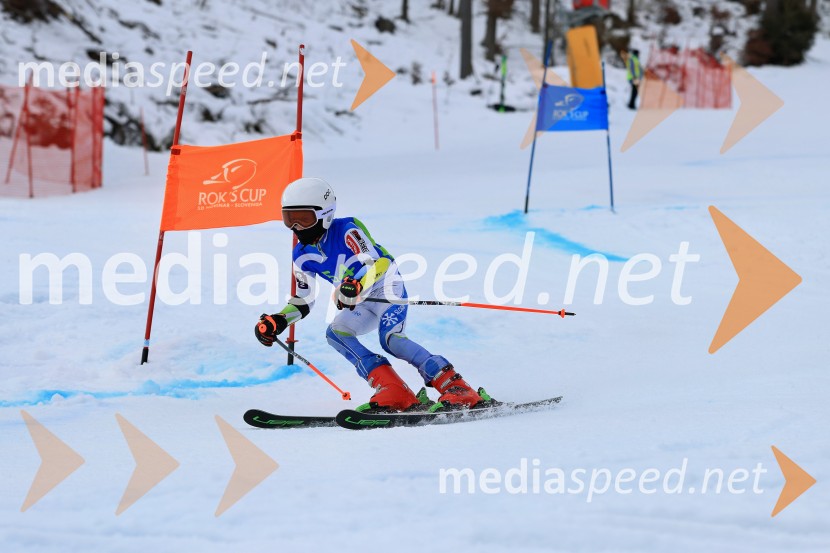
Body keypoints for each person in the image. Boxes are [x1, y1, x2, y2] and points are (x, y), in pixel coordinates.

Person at [254, 177, 489, 413]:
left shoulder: (348, 230)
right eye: (289, 219)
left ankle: (456, 387)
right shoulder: (301, 255)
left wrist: (356, 285)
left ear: (325, 215)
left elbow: (378, 263)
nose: (297, 228)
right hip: (358, 301)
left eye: (304, 219)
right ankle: (393, 389)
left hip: (385, 289)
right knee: (336, 334)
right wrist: (280, 319)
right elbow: (304, 299)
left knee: (392, 340)